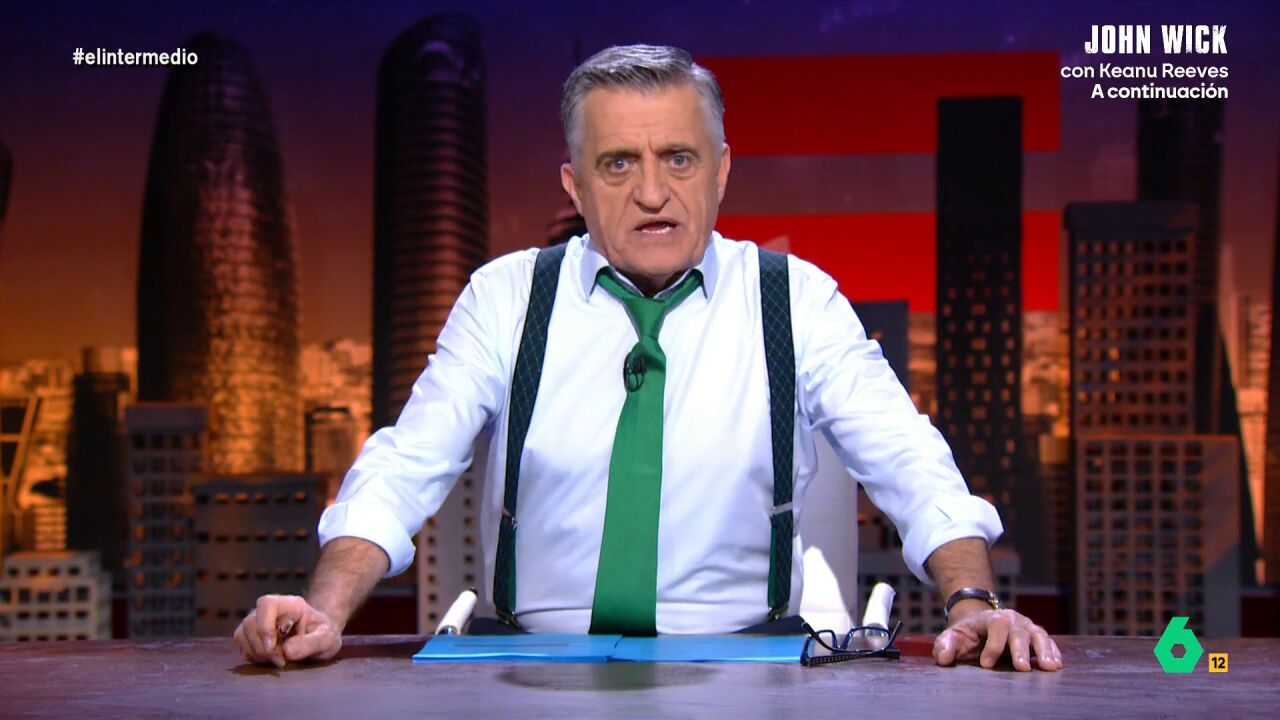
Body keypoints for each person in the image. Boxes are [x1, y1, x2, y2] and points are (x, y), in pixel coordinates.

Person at [234, 44, 1063, 672]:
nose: (653, 192)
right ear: (574, 185)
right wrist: (324, 608)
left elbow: (909, 461)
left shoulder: (796, 300)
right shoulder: (507, 296)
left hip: (751, 669)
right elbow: (406, 464)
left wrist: (973, 603)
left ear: (722, 171)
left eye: (679, 158)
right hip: (527, 672)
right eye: (618, 163)